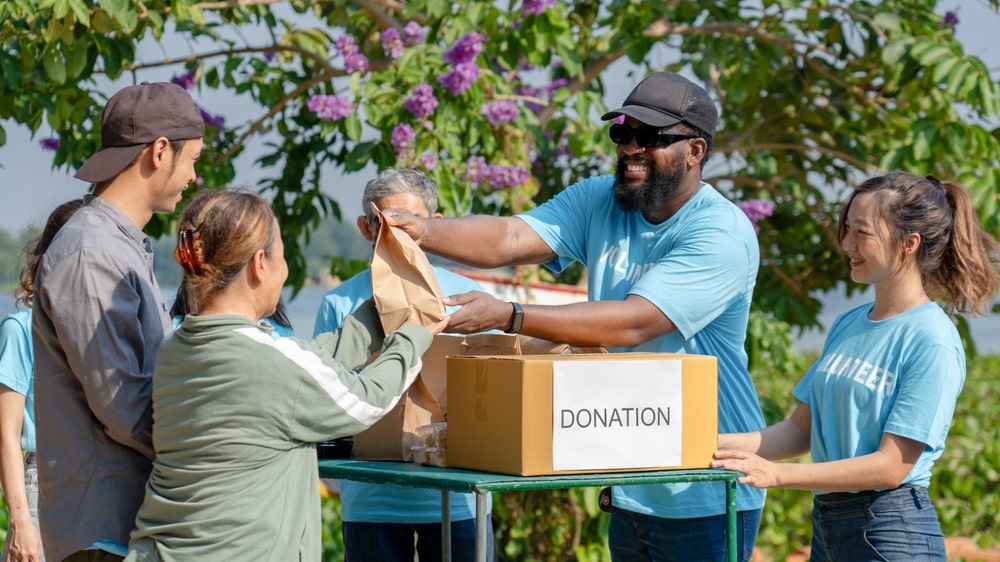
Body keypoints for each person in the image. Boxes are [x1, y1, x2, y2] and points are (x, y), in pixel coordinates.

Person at [384, 71, 766, 561]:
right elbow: (509, 238)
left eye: (650, 138)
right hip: (632, 474)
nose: (631, 148)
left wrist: (511, 315)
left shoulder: (721, 233)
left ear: (695, 151)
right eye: (622, 134)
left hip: (707, 484)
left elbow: (634, 322)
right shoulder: (599, 199)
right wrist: (420, 232)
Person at [123, 188, 445, 561]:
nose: (285, 269)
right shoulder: (269, 359)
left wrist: (376, 314)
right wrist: (412, 337)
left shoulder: (176, 349)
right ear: (260, 263)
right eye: (283, 257)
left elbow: (302, 368)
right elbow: (365, 400)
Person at [712, 171, 1000, 561]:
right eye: (847, 229)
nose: (848, 243)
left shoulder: (932, 338)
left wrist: (777, 475)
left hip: (891, 530)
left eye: (862, 232)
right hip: (829, 526)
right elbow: (800, 430)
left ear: (908, 244)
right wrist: (710, 444)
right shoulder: (849, 323)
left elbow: (892, 466)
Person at [31, 81, 204, 562]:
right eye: (192, 160)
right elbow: (123, 403)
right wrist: (211, 456)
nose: (193, 177)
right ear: (160, 151)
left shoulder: (118, 243)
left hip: (127, 521)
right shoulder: (92, 251)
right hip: (103, 527)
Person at [313, 168, 495, 562]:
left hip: (459, 497)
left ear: (436, 226)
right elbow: (322, 395)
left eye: (410, 224)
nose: (397, 234)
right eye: (385, 223)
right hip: (371, 500)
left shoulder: (471, 298)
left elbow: (493, 392)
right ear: (366, 227)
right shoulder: (340, 303)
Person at [0, 199, 82, 562]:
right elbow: (5, 432)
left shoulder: (100, 334)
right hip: (41, 486)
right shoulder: (19, 330)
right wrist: (19, 520)